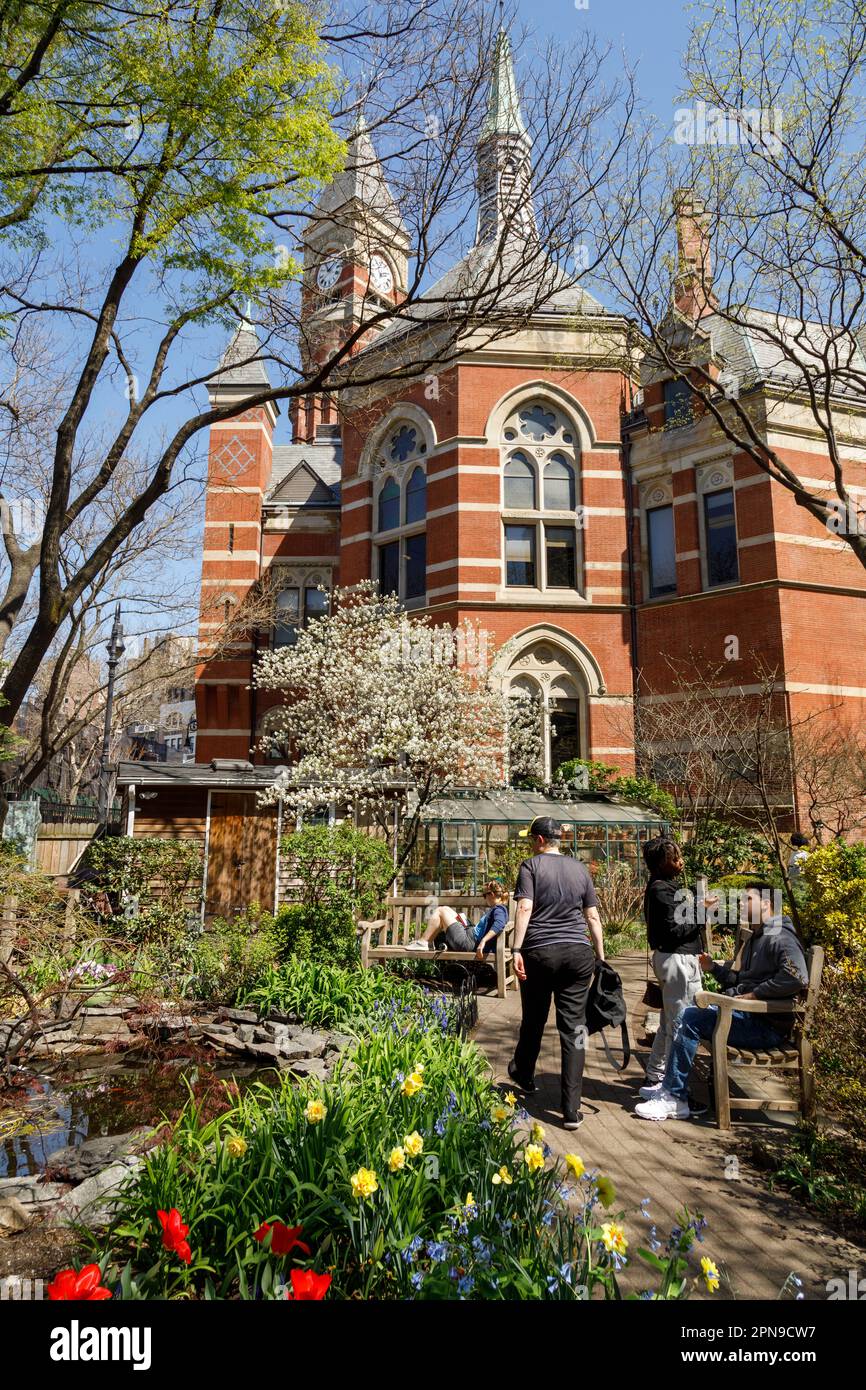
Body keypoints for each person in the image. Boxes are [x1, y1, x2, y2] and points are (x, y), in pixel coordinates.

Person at [635, 882, 808, 1122]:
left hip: (765, 1027)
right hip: (749, 1017)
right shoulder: (759, 936)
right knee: (690, 1014)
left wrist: (754, 996)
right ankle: (671, 1089)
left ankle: (675, 1096)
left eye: (747, 899)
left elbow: (797, 976)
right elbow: (744, 979)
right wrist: (714, 968)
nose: (740, 903)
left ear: (767, 904)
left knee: (689, 1017)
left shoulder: (779, 936)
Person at [507, 817, 604, 1131]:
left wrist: (516, 949)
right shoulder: (580, 869)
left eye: (529, 839)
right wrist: (600, 958)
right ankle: (571, 1110)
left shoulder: (531, 866)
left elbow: (524, 908)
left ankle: (524, 1074)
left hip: (539, 952)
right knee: (574, 1028)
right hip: (578, 954)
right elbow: (592, 916)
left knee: (534, 1017)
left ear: (538, 840)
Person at [639, 835, 706, 1111]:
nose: (681, 861)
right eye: (675, 857)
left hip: (676, 960)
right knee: (681, 1025)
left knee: (670, 1023)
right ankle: (674, 1091)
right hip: (677, 961)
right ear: (662, 863)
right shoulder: (661, 891)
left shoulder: (664, 887)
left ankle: (657, 1077)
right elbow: (674, 930)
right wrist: (701, 912)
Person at [406, 881, 509, 960]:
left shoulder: (499, 910)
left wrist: (483, 941)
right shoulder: (498, 908)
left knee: (440, 911)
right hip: (469, 935)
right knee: (446, 908)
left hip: (469, 943)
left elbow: (499, 924)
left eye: (484, 895)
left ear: (491, 894)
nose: (484, 898)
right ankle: (427, 942)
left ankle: (424, 942)